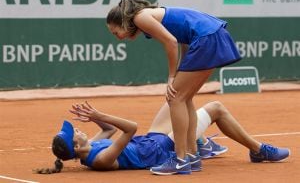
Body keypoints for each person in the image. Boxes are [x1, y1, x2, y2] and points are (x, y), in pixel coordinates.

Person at [106, 0, 242, 175]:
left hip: (207, 37)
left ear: (122, 22)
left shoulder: (140, 18)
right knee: (185, 99)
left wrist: (172, 76)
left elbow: (170, 41)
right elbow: (183, 41)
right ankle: (192, 156)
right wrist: (181, 69)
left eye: (116, 33)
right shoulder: (147, 17)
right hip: (210, 35)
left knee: (175, 98)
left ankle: (180, 160)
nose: (117, 38)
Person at [35, 101, 290, 175]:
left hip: (155, 137)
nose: (76, 131)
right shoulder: (100, 159)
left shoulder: (89, 146)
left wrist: (93, 118)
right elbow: (130, 129)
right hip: (165, 146)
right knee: (216, 109)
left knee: (175, 95)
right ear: (76, 146)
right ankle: (258, 150)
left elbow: (110, 131)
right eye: (74, 134)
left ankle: (198, 141)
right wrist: (102, 113)